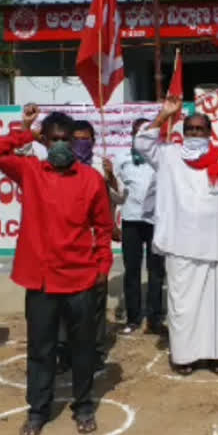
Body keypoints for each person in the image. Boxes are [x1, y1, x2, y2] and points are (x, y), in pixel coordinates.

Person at [0, 105, 113, 435]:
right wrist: (27, 131)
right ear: (44, 141)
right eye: (53, 139)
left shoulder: (91, 179)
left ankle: (83, 406)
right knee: (41, 350)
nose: (60, 145)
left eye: (65, 140)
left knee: (82, 349)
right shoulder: (30, 171)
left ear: (75, 143)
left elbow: (103, 227)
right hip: (40, 280)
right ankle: (38, 410)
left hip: (81, 278)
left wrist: (102, 268)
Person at [134, 98, 218, 376]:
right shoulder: (169, 155)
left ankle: (216, 354)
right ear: (184, 132)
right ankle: (184, 356)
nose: (195, 134)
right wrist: (163, 115)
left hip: (214, 243)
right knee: (183, 304)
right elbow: (142, 143)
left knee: (214, 304)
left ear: (209, 133)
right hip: (180, 243)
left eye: (200, 129)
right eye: (190, 129)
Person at [63, 119, 124, 372]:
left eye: (86, 138)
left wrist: (111, 179)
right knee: (66, 303)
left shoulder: (102, 165)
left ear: (93, 141)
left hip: (96, 243)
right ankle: (65, 352)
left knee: (96, 300)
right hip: (69, 243)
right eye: (76, 138)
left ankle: (96, 350)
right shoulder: (61, 163)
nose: (81, 143)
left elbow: (120, 197)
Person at [116, 118, 165, 335]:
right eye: (138, 132)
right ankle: (133, 317)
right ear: (132, 135)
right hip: (131, 220)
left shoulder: (161, 156)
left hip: (156, 220)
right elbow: (114, 189)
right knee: (132, 270)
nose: (141, 135)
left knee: (156, 271)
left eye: (146, 131)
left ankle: (155, 318)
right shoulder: (122, 158)